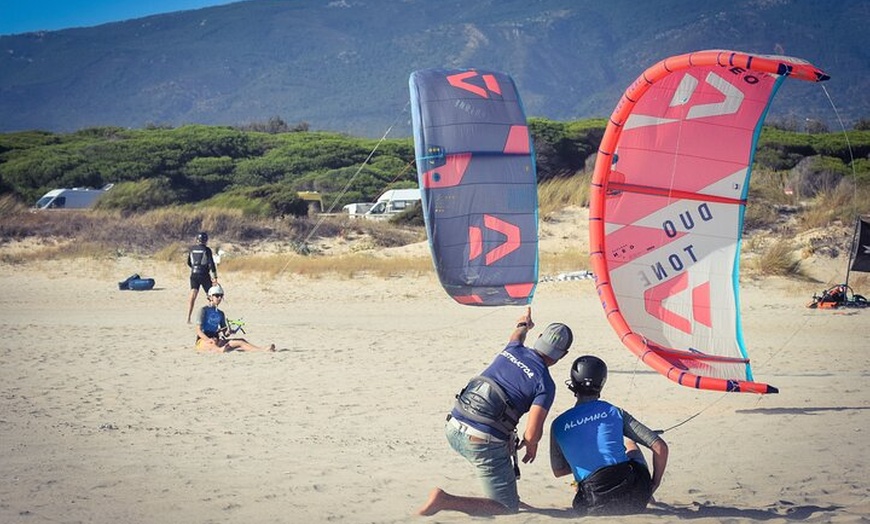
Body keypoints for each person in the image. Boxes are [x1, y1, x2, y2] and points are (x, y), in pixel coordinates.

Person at [417, 307, 573, 517]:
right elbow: (531, 434)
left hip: (453, 427)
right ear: (563, 355)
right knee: (507, 508)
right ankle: (444, 500)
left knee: (500, 448)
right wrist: (532, 444)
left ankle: (504, 490)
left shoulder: (513, 349)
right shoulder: (545, 383)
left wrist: (524, 323)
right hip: (480, 443)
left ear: (539, 337)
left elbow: (517, 333)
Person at [549, 355, 669, 516]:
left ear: (573, 382)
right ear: (602, 382)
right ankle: (650, 495)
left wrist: (588, 461)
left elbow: (558, 471)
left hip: (592, 505)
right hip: (634, 498)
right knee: (630, 443)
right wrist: (654, 484)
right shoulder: (614, 411)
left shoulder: (558, 424)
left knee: (586, 472)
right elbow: (660, 446)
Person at [194, 285, 275, 353]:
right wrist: (208, 340)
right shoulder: (203, 310)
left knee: (241, 341)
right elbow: (198, 330)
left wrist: (229, 332)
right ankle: (220, 350)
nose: (219, 298)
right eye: (217, 295)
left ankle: (261, 349)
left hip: (216, 339)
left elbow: (225, 333)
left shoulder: (221, 313)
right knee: (213, 345)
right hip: (203, 341)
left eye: (221, 296)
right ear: (210, 297)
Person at [186, 231, 218, 323]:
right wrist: (215, 277)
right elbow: (211, 264)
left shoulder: (192, 249)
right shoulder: (206, 250)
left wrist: (194, 268)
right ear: (205, 240)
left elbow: (188, 262)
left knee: (193, 295)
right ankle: (211, 316)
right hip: (204, 274)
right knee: (211, 295)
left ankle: (188, 317)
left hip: (193, 274)